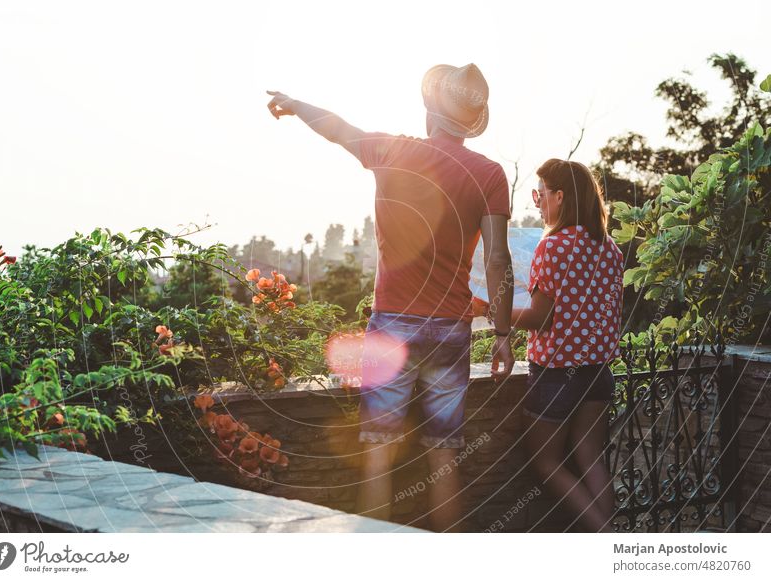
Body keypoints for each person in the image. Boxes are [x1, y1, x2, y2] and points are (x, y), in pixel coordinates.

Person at [266, 63, 515, 531]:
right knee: (444, 462)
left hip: (392, 325)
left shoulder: (392, 150)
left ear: (430, 113)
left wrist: (296, 105)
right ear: (468, 121)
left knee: (378, 457)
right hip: (450, 327)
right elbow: (497, 260)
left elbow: (338, 130)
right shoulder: (490, 174)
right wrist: (502, 333)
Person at [509, 158, 624, 532]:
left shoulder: (552, 247)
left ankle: (607, 540)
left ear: (559, 196)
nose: (536, 202)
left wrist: (491, 311)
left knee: (546, 462)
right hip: (599, 374)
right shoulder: (610, 249)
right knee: (591, 459)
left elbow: (541, 318)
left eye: (539, 194)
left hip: (558, 375)